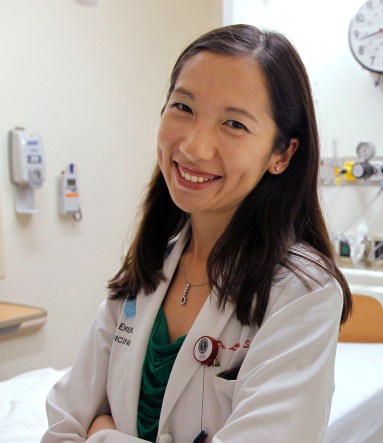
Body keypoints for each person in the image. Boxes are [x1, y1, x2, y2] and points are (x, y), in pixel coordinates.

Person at [43, 24, 352, 443]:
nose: (193, 147)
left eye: (234, 124)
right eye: (183, 108)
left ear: (281, 154)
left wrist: (102, 435)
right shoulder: (149, 267)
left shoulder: (302, 292)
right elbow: (63, 423)